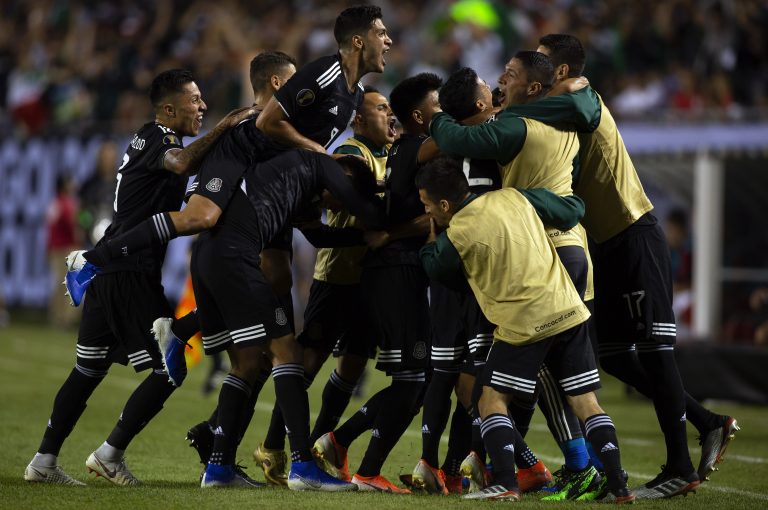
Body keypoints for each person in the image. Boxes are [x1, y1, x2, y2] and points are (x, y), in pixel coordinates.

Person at [508, 33, 738, 498]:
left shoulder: (577, 95)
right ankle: (706, 420)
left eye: (542, 63)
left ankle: (680, 465)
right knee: (610, 355)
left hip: (633, 233)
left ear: (560, 72)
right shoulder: (552, 110)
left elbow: (582, 107)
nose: (532, 69)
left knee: (655, 349)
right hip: (602, 246)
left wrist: (503, 113)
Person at [65, 5, 393, 308]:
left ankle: (195, 337)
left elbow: (315, 223)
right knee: (200, 218)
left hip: (274, 175)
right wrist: (319, 156)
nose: (389, 40)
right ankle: (93, 260)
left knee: (279, 276)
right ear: (358, 41)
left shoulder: (357, 96)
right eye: (381, 33)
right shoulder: (326, 73)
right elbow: (266, 122)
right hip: (242, 149)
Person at [23, 69, 252, 486]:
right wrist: (225, 126)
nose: (202, 106)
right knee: (169, 366)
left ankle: (43, 461)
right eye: (194, 99)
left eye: (203, 100)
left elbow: (180, 181)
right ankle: (109, 454)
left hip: (118, 269)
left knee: (87, 371)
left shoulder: (157, 142)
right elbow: (182, 162)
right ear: (169, 109)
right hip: (129, 270)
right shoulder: (158, 138)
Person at [429, 56, 603, 499]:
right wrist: (570, 206)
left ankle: (559, 466)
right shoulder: (515, 125)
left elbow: (555, 194)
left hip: (534, 260)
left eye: (509, 75)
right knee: (510, 376)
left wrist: (436, 122)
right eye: (495, 80)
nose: (501, 81)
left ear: (533, 88)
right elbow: (563, 195)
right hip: (527, 259)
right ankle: (537, 466)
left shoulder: (514, 126)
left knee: (503, 377)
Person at [416, 157, 635, 503]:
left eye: (428, 206)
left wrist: (430, 243)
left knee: (488, 399)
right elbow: (568, 210)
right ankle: (619, 487)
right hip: (569, 309)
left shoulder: (456, 233)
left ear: (444, 205)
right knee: (585, 402)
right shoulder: (515, 196)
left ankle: (505, 482)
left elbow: (436, 268)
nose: (429, 212)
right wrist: (575, 199)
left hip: (524, 322)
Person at [191, 146, 384, 489]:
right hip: (240, 261)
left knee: (250, 363)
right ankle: (301, 467)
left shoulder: (298, 182)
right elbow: (277, 263)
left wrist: (359, 236)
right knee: (287, 355)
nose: (336, 210)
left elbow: (314, 232)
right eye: (343, 200)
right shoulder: (295, 181)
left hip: (217, 255)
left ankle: (218, 464)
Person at [255, 85, 396, 486]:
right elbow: (341, 200)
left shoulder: (393, 155)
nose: (390, 116)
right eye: (381, 109)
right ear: (359, 119)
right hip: (336, 278)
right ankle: (272, 446)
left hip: (370, 281)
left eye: (390, 109)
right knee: (309, 364)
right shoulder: (351, 155)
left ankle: (320, 445)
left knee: (351, 368)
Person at [47, 174, 81, 328]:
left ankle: (58, 318)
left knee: (60, 285)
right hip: (67, 248)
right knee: (70, 285)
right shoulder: (68, 204)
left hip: (55, 249)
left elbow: (50, 227)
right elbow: (73, 226)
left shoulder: (55, 203)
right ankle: (66, 320)